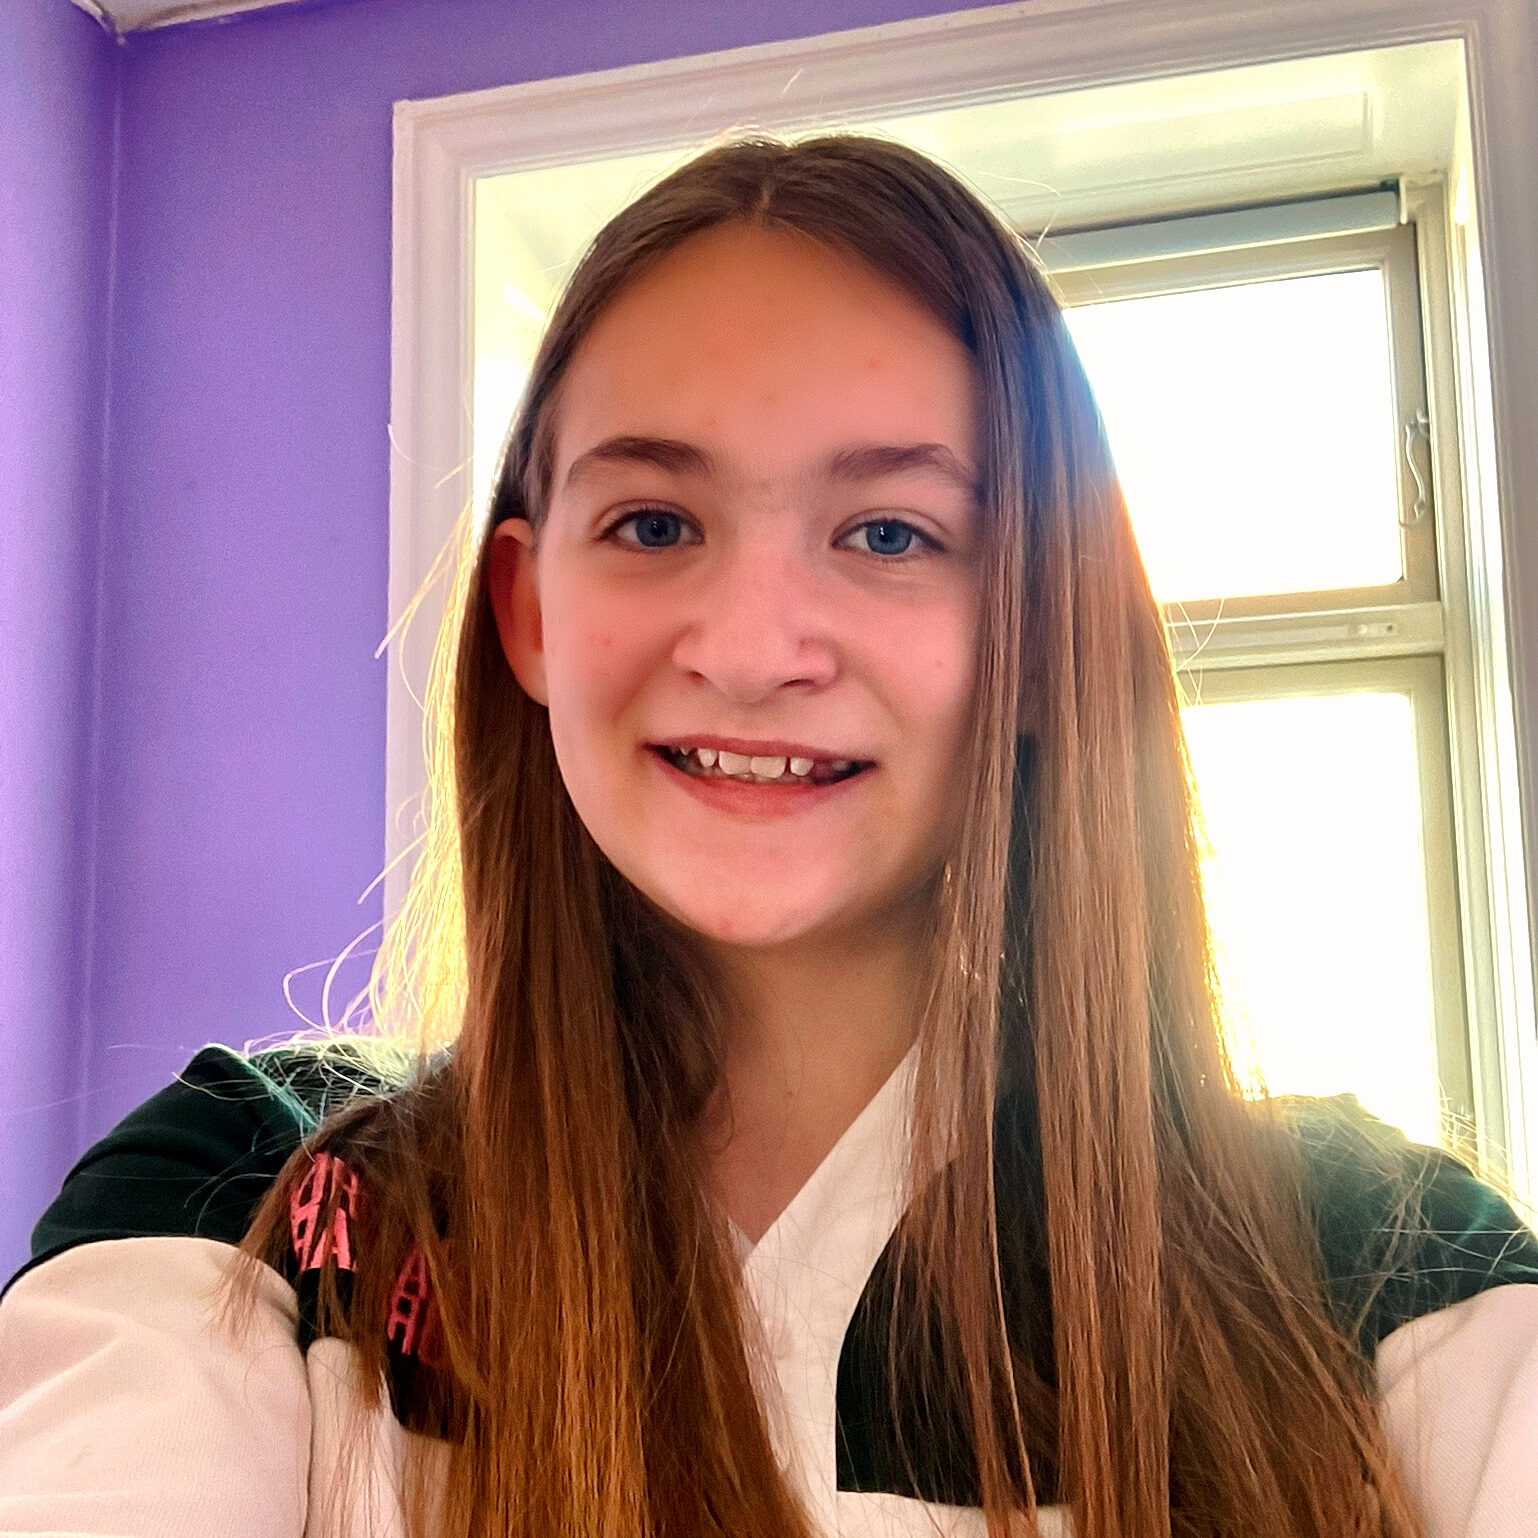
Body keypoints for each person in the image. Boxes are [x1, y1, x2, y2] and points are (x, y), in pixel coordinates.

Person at [1, 133, 1535, 1538]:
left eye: (889, 532)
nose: (747, 648)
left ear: (1036, 624)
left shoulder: (1373, 1268)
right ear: (529, 614)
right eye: (652, 524)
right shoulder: (251, 1209)